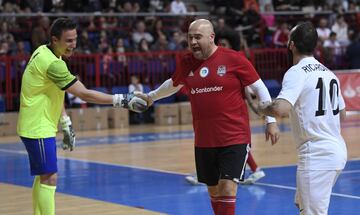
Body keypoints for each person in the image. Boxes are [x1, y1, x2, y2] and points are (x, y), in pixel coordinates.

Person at [136, 19, 280, 215]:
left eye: (198, 37)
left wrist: (270, 120)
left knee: (228, 188)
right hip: (204, 139)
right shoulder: (187, 62)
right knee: (214, 191)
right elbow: (173, 84)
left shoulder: (233, 58)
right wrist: (151, 97)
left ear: (211, 37)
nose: (193, 42)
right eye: (190, 38)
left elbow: (260, 87)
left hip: (234, 137)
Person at [17, 18, 146, 215]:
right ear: (54, 39)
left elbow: (53, 92)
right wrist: (123, 100)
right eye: (68, 40)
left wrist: (66, 122)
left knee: (43, 176)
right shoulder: (52, 63)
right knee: (50, 177)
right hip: (37, 127)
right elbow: (84, 94)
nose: (73, 44)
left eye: (75, 39)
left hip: (36, 124)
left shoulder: (45, 51)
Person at [257, 22, 347, 215]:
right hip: (337, 150)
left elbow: (281, 109)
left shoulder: (296, 72)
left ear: (291, 45)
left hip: (317, 154)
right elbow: (343, 113)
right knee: (301, 204)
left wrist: (262, 107)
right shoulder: (330, 74)